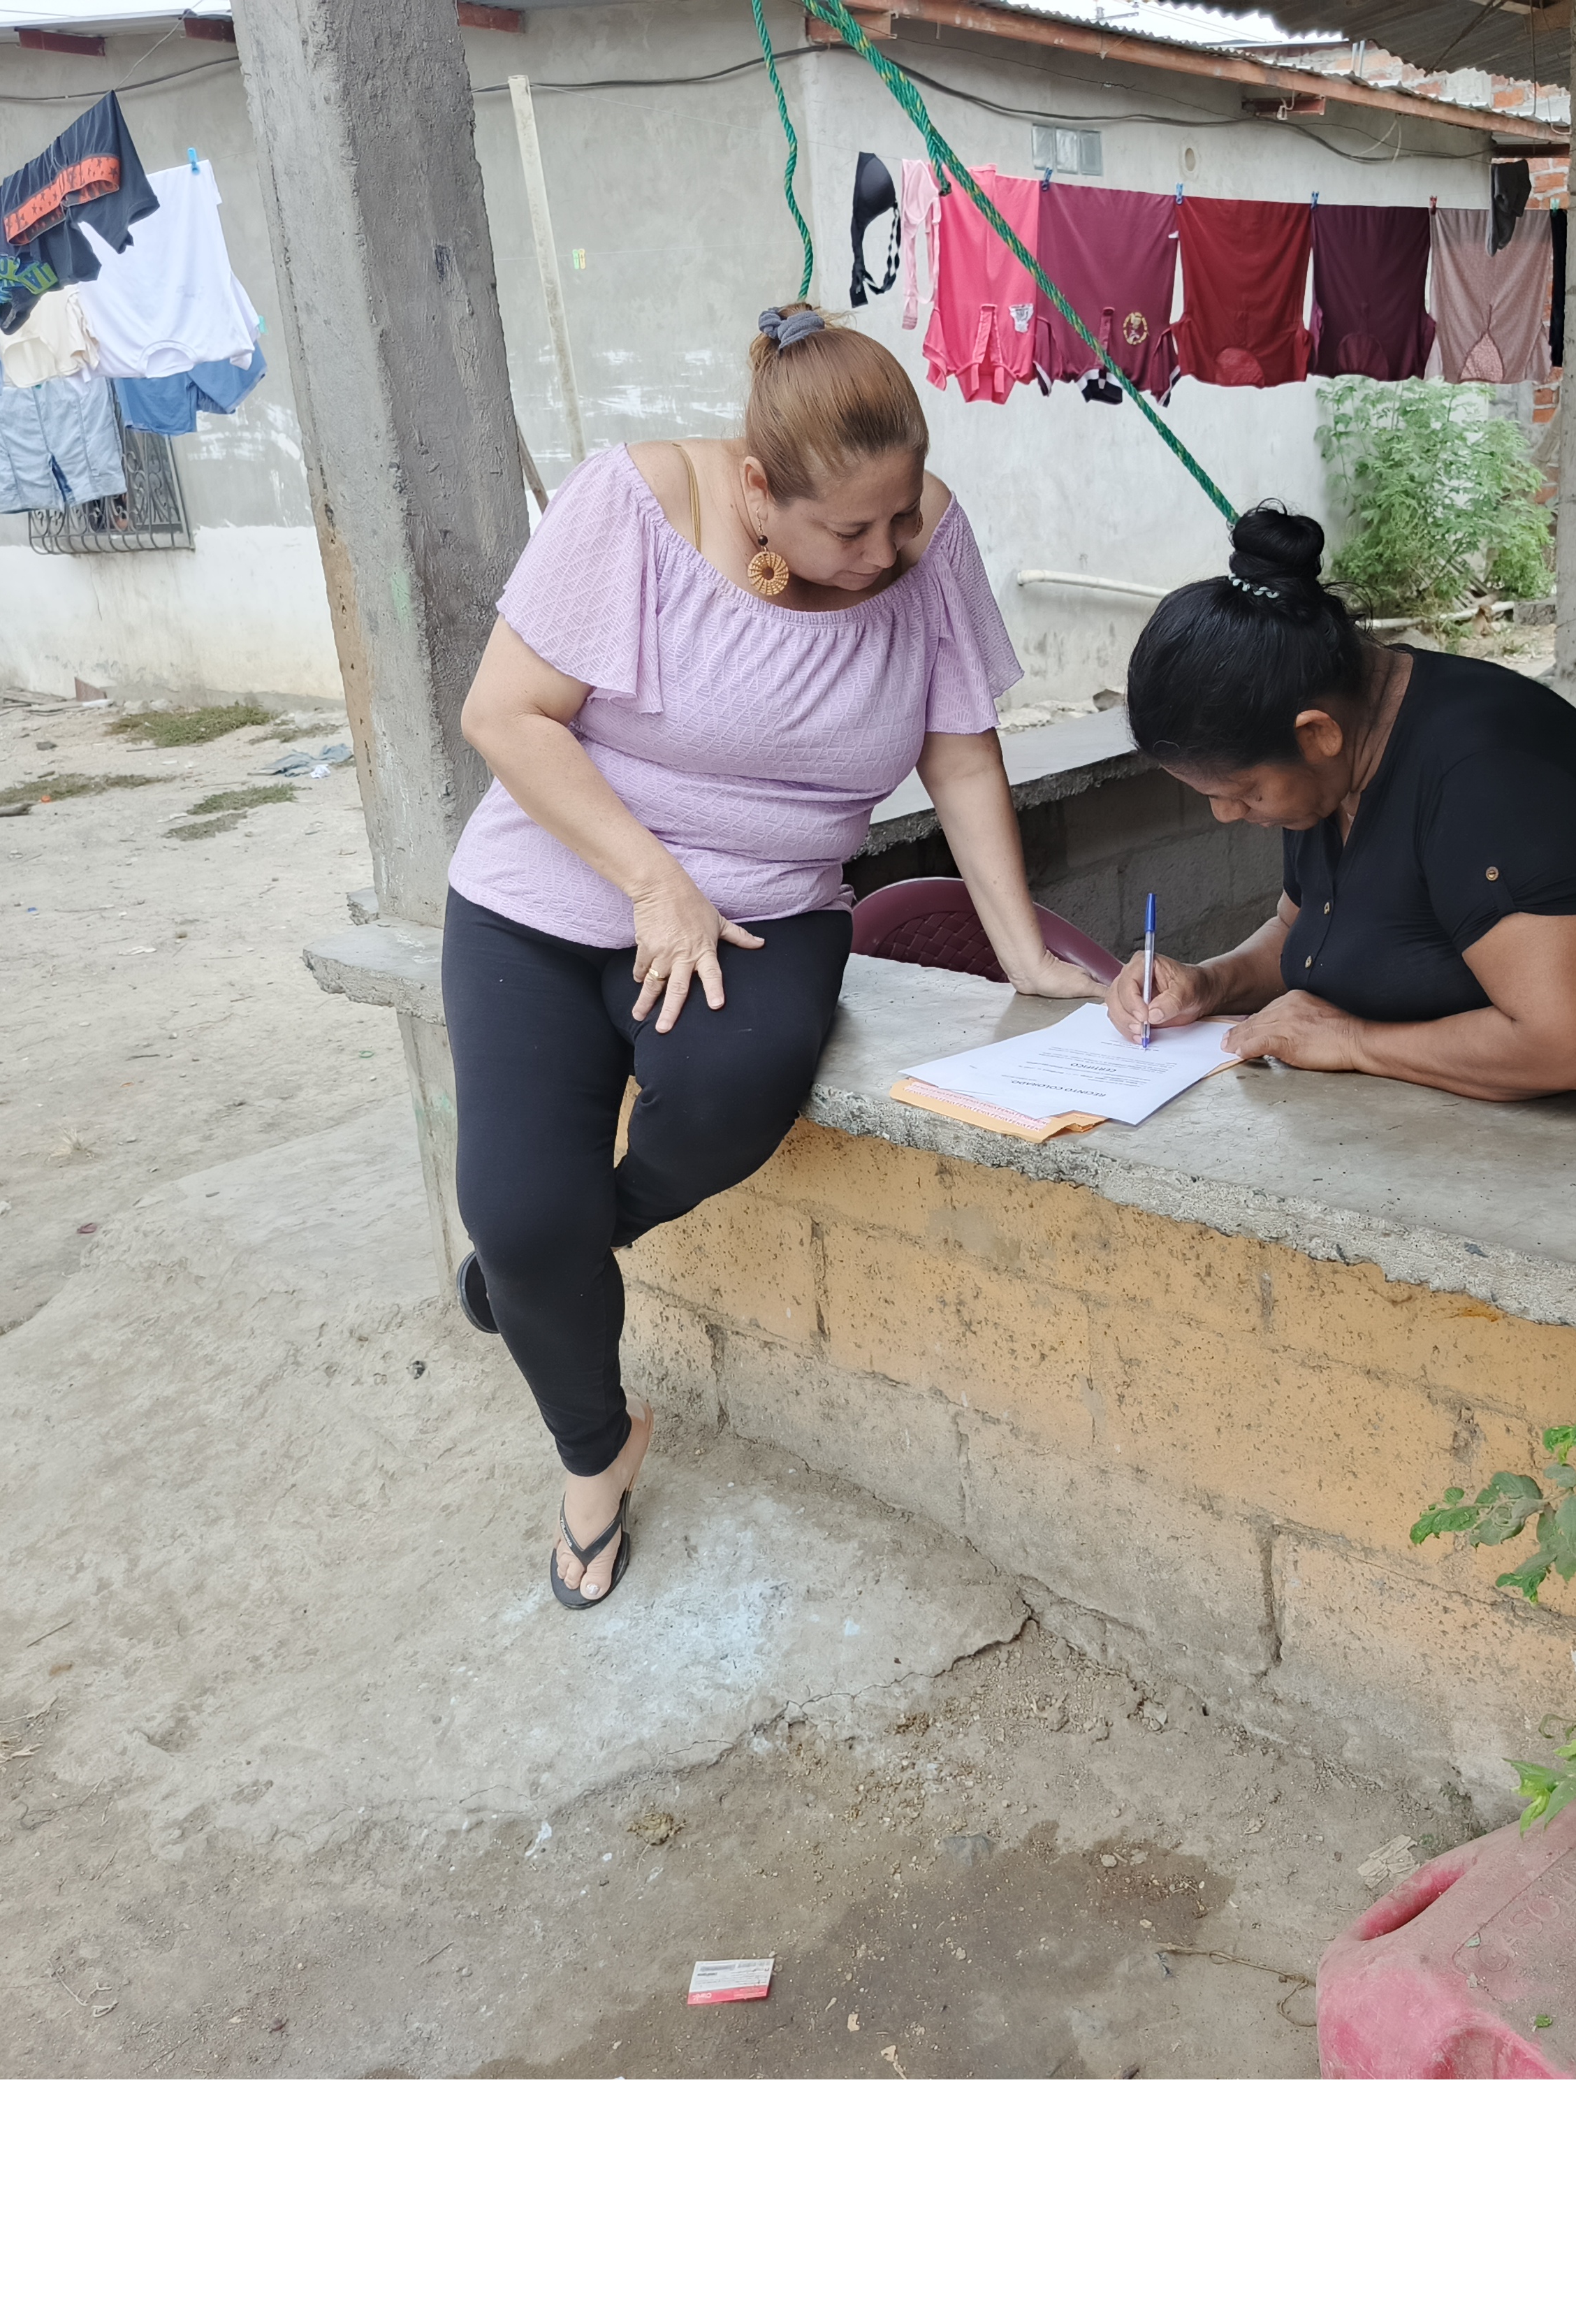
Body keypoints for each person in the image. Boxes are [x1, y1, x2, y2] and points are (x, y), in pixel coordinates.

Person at [447, 303, 1100, 1610]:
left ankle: (546, 1267)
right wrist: (654, 882)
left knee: (728, 1094)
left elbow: (961, 750)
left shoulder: (926, 542)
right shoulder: (633, 505)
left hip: (766, 906)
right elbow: (502, 715)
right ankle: (594, 1449)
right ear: (756, 489)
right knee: (517, 1213)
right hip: (548, 894)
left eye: (901, 514)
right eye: (849, 531)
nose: (885, 551)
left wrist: (1024, 951)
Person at [1108, 506, 1576, 1111]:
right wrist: (1209, 983)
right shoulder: (1331, 763)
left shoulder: (1489, 778)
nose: (1227, 814)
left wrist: (1353, 1040)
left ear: (1318, 734)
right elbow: (1307, 933)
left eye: (1243, 792)